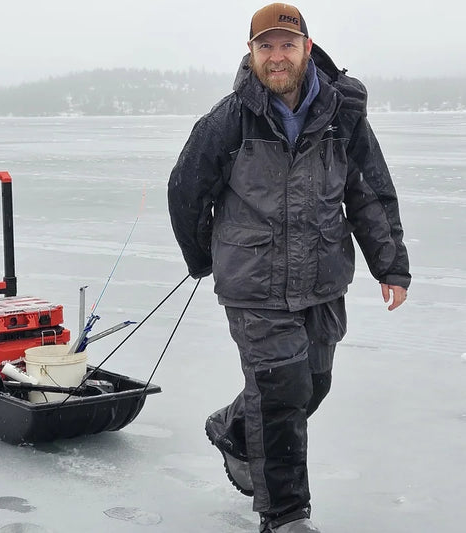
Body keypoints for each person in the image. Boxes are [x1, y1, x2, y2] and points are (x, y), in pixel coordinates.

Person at [167, 3, 411, 532]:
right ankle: (284, 516)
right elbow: (185, 192)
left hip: (322, 278)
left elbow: (367, 191)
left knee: (313, 386)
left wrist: (390, 265)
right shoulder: (228, 120)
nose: (276, 56)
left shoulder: (342, 115)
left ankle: (233, 429)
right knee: (280, 394)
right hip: (254, 284)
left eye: (286, 44)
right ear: (250, 53)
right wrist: (203, 258)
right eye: (265, 46)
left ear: (306, 47)